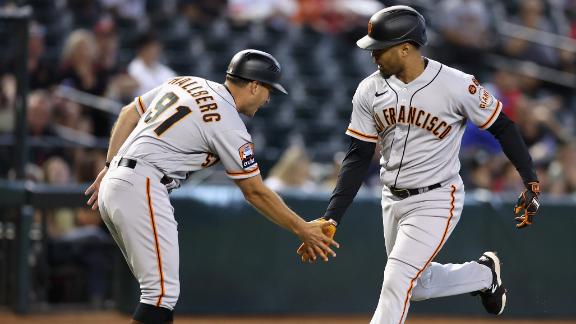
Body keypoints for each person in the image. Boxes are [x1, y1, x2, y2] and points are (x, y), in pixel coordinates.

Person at [296, 6, 541, 324]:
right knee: (418, 284)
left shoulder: (456, 84)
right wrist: (332, 218)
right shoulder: (369, 90)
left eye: (379, 48)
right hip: (391, 198)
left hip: (438, 197)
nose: (373, 56)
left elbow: (502, 126)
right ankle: (482, 275)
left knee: (396, 278)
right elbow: (357, 157)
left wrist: (529, 178)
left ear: (406, 48)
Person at [84, 49, 338, 324]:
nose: (268, 99)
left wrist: (110, 166)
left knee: (158, 294)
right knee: (160, 296)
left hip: (118, 180)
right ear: (254, 85)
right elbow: (254, 191)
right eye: (268, 90)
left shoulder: (185, 82)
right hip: (142, 185)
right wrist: (303, 229)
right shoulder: (230, 126)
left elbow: (127, 113)